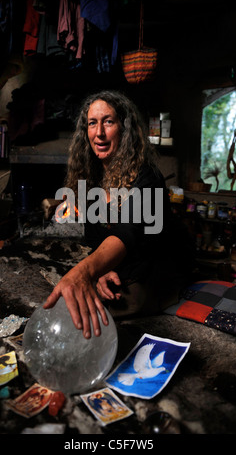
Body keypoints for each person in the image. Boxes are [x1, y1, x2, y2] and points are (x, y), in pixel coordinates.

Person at [43, 90, 194, 338]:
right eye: (92, 123)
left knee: (89, 317)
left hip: (155, 267)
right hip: (124, 263)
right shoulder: (91, 179)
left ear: (125, 129)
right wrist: (101, 270)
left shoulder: (148, 177)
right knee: (72, 302)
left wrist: (85, 272)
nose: (99, 133)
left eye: (108, 122)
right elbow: (96, 239)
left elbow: (127, 233)